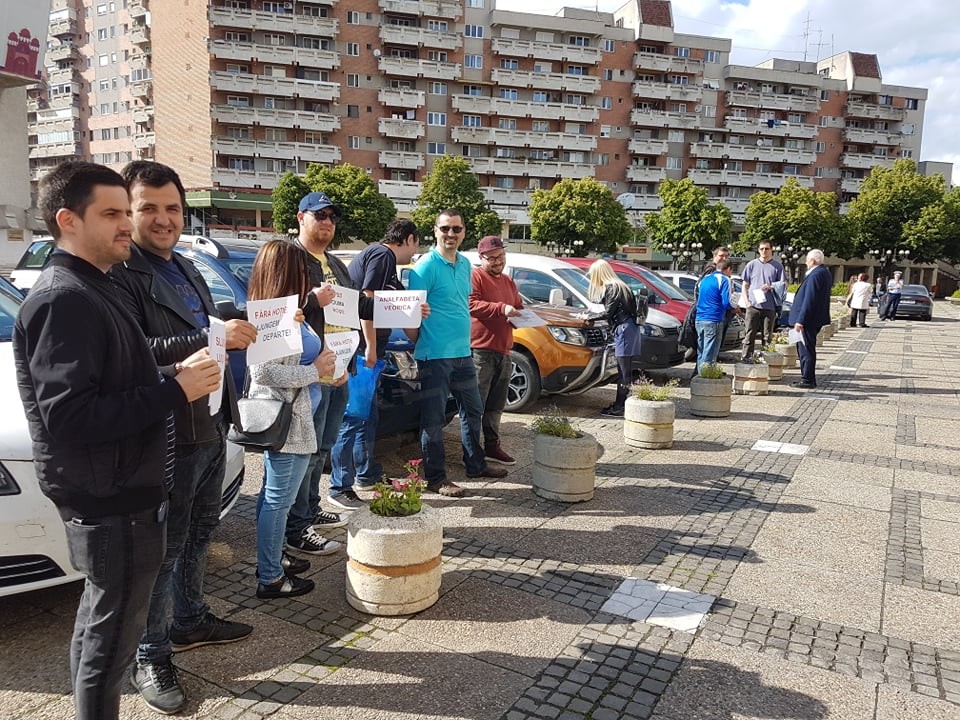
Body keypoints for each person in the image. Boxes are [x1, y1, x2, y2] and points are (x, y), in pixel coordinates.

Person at [13, 161, 221, 720]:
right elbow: (71, 417)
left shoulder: (94, 286)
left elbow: (117, 377)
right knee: (113, 640)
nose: (127, 224)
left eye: (124, 212)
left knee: (101, 621)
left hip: (121, 487)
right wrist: (176, 390)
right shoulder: (65, 298)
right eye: (112, 213)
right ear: (68, 220)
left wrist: (169, 380)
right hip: (110, 495)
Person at [109, 161, 257, 714]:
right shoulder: (121, 273)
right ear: (129, 212)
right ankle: (152, 652)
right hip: (168, 432)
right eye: (149, 208)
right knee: (163, 552)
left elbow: (204, 325)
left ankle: (191, 618)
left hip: (211, 422)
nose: (163, 219)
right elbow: (128, 354)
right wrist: (203, 335)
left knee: (201, 531)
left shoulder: (187, 266)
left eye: (172, 207)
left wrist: (232, 322)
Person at [248, 240, 339, 598]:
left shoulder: (288, 312)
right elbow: (263, 373)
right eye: (302, 271)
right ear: (287, 273)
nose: (308, 277)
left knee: (274, 496)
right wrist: (314, 372)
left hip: (298, 417)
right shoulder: (271, 316)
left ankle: (273, 559)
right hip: (288, 423)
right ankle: (270, 578)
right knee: (277, 500)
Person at [285, 191, 371, 555]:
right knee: (304, 453)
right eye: (319, 215)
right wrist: (309, 301)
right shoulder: (288, 258)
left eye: (332, 217)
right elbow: (268, 306)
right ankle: (296, 527)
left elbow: (355, 306)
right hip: (307, 375)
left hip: (339, 370)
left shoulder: (335, 263)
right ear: (301, 217)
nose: (327, 222)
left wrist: (409, 309)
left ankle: (309, 508)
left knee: (322, 449)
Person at [407, 210, 509, 496]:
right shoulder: (424, 267)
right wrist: (422, 344)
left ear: (464, 232)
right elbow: (410, 316)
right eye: (445, 229)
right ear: (435, 230)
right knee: (434, 419)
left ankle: (475, 464)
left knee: (473, 409)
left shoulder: (465, 264)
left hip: (464, 352)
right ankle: (436, 478)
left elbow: (462, 304)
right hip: (435, 356)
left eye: (456, 229)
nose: (450, 234)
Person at [332, 219, 427, 492]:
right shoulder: (382, 254)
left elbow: (387, 305)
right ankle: (340, 485)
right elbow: (367, 297)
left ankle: (366, 473)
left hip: (371, 349)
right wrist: (371, 346)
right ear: (408, 238)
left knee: (367, 417)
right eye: (416, 243)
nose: (415, 251)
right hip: (363, 351)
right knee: (354, 418)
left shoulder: (385, 261)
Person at [469, 235, 523, 464]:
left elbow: (518, 306)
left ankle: (492, 446)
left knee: (496, 405)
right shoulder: (475, 276)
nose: (497, 261)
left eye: (500, 256)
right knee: (475, 405)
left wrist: (524, 315)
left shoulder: (508, 281)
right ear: (481, 258)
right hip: (480, 350)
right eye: (491, 258)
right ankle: (471, 452)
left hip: (504, 350)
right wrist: (502, 309)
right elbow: (471, 304)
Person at [587, 259, 641, 418]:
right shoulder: (622, 287)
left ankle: (620, 407)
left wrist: (589, 317)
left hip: (623, 329)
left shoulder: (612, 288)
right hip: (630, 328)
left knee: (623, 371)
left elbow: (608, 313)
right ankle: (622, 403)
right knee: (625, 369)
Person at [789, 249, 832, 389]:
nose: (806, 262)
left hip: (808, 320)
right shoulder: (823, 272)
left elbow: (809, 299)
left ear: (813, 260)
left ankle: (807, 379)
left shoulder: (815, 275)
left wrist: (801, 320)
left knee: (806, 349)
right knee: (807, 349)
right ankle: (807, 377)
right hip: (814, 319)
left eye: (807, 260)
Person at [740, 240, 785, 360]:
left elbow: (783, 284)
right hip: (753, 306)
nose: (764, 251)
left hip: (769, 306)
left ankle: (766, 360)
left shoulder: (777, 266)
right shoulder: (751, 264)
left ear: (771, 250)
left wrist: (771, 286)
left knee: (767, 336)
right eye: (761, 249)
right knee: (749, 334)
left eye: (767, 249)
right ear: (758, 250)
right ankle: (746, 358)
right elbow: (745, 285)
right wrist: (747, 302)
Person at [694, 259, 733, 375]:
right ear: (729, 269)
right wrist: (735, 307)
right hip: (714, 318)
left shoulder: (704, 279)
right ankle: (706, 377)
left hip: (700, 318)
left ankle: (700, 374)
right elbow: (726, 302)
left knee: (701, 350)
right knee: (710, 351)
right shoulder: (724, 279)